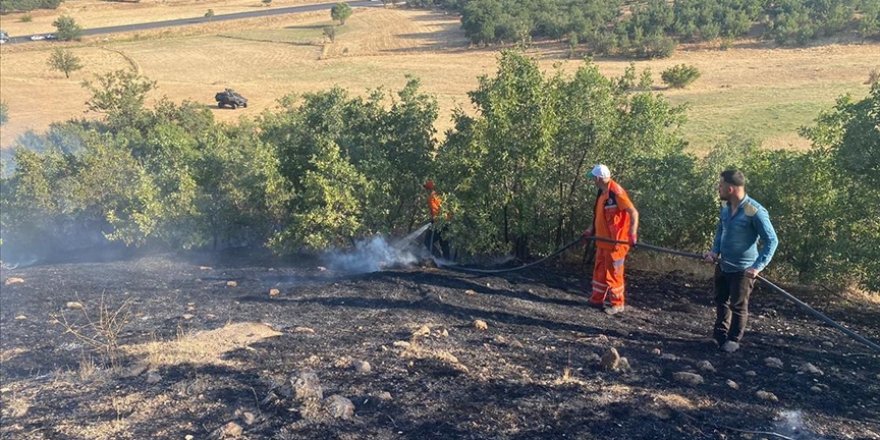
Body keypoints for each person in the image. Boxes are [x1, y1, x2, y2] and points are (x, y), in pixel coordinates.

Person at [702, 169, 778, 353]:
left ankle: (733, 340)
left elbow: (772, 240)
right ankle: (719, 337)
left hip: (743, 269)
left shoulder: (753, 210)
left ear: (730, 188)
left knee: (738, 305)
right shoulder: (726, 208)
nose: (718, 189)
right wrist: (714, 252)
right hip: (723, 264)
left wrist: (758, 267)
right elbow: (721, 231)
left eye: (720, 186)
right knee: (721, 301)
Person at [582, 165, 639, 315]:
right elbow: (598, 215)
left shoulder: (616, 193)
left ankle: (617, 304)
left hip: (616, 244)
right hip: (602, 242)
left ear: (599, 178)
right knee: (600, 272)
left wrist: (632, 235)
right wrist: (590, 230)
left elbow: (633, 213)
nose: (593, 181)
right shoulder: (601, 193)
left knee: (614, 274)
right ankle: (596, 300)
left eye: (594, 178)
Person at [423, 180, 451, 260]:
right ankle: (447, 261)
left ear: (429, 189)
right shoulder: (442, 196)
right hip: (446, 222)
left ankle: (439, 259)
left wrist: (434, 220)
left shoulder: (431, 198)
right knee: (444, 242)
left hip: (438, 223)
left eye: (426, 188)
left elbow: (435, 211)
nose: (426, 190)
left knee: (427, 242)